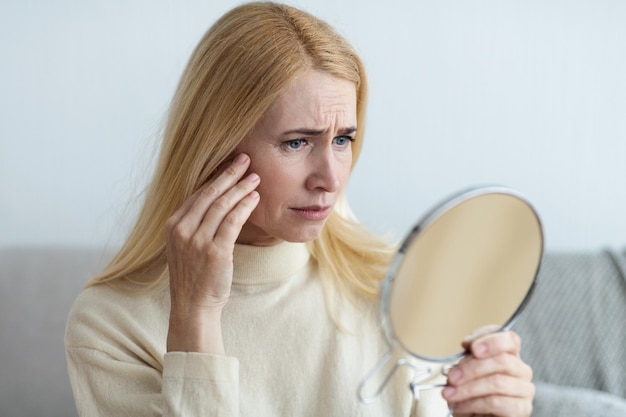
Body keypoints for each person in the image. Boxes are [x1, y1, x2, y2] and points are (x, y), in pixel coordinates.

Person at [65, 2, 535, 416]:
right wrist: (196, 319)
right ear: (215, 147)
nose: (330, 178)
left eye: (343, 139)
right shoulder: (110, 325)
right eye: (296, 142)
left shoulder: (396, 292)